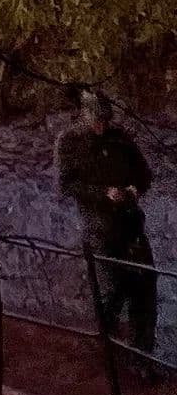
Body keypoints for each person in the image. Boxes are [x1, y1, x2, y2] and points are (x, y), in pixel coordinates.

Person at [58, 86, 159, 368]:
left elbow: (144, 175)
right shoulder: (69, 142)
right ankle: (108, 346)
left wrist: (134, 188)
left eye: (105, 120)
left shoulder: (122, 140)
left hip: (131, 225)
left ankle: (141, 358)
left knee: (145, 286)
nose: (102, 125)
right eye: (96, 120)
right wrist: (102, 193)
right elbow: (66, 185)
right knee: (111, 290)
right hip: (99, 228)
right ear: (85, 115)